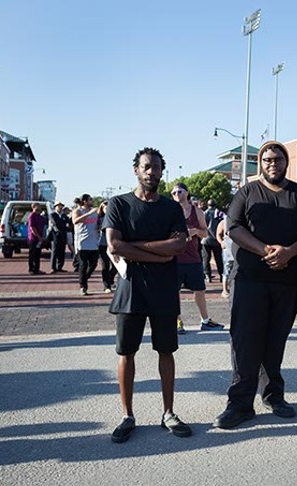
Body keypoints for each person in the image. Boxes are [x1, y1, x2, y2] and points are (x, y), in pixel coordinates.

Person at [213, 140, 297, 430]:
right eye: (267, 159)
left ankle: (274, 395)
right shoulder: (247, 193)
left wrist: (289, 252)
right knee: (245, 341)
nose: (273, 163)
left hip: (289, 280)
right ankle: (240, 403)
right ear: (260, 163)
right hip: (250, 279)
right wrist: (265, 250)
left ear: (287, 163)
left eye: (278, 159)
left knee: (275, 341)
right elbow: (233, 228)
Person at [103, 147, 192, 443]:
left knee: (166, 351)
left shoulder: (171, 208)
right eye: (146, 167)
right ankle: (127, 415)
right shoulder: (119, 204)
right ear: (136, 170)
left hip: (164, 291)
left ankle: (168, 412)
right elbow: (114, 245)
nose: (151, 172)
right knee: (126, 352)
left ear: (162, 171)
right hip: (131, 290)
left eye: (156, 167)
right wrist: (159, 252)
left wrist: (137, 247)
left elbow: (178, 246)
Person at [170, 183, 224, 333]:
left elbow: (205, 233)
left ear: (186, 193)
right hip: (175, 257)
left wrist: (194, 231)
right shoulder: (170, 211)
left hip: (193, 257)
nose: (176, 194)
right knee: (174, 291)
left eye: (179, 191)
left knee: (199, 289)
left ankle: (205, 320)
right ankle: (177, 321)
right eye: (173, 192)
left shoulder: (197, 211)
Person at [73, 194, 100, 295]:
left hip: (93, 242)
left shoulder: (95, 211)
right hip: (82, 242)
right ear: (84, 201)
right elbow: (75, 221)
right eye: (90, 200)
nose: (92, 201)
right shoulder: (78, 211)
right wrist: (88, 214)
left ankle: (85, 278)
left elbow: (97, 223)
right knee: (83, 265)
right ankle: (83, 286)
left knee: (94, 264)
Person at [202, 199, 225, 283]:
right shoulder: (219, 213)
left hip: (206, 239)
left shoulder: (204, 213)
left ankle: (208, 276)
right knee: (218, 258)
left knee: (206, 259)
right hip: (216, 239)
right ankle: (222, 275)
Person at [97, 201, 115, 292]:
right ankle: (106, 286)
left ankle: (110, 278)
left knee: (116, 265)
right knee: (105, 265)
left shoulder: (115, 217)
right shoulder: (100, 218)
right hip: (103, 244)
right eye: (105, 208)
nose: (107, 210)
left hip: (113, 244)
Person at [27, 203, 46, 275]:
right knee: (32, 254)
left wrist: (42, 237)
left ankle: (37, 269)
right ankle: (31, 269)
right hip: (33, 238)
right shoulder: (32, 216)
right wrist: (38, 236)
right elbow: (32, 228)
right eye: (38, 206)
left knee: (38, 254)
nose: (40, 208)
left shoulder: (40, 217)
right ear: (34, 207)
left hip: (39, 239)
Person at [50, 202, 68, 272]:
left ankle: (60, 266)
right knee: (55, 251)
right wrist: (62, 224)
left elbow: (67, 223)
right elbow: (55, 223)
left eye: (61, 206)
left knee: (62, 251)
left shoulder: (64, 215)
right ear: (55, 207)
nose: (60, 208)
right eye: (58, 206)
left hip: (63, 235)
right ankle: (53, 267)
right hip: (56, 235)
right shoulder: (53, 215)